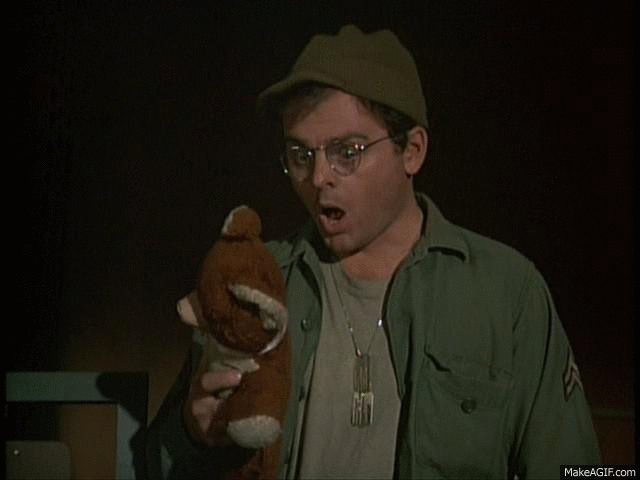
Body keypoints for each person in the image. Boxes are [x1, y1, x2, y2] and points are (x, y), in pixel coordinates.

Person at [146, 25, 600, 479]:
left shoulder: (506, 292)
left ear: (412, 151)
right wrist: (191, 433)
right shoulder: (253, 285)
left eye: (348, 152)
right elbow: (153, 460)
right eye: (301, 154)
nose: (318, 177)